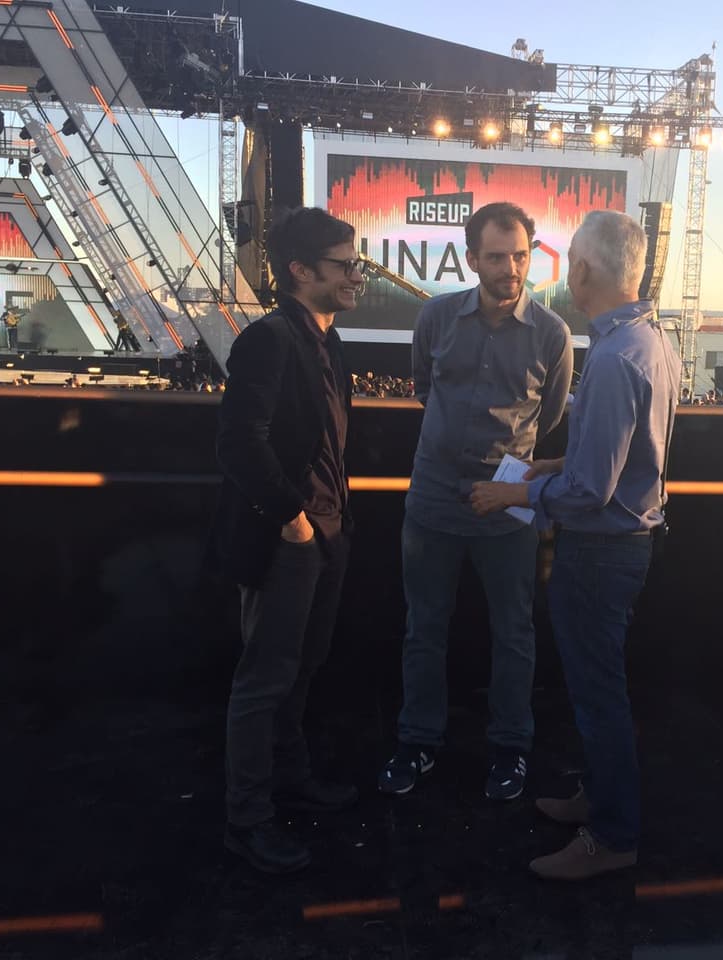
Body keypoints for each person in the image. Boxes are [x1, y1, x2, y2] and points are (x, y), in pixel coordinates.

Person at [470, 210, 681, 880]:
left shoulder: (618, 358)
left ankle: (613, 837)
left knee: (597, 696)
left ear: (584, 271)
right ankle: (600, 799)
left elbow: (594, 492)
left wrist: (514, 493)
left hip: (601, 551)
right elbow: (621, 461)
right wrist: (550, 467)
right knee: (599, 689)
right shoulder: (648, 343)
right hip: (623, 546)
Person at [378, 202, 573, 801]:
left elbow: (553, 413)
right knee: (423, 629)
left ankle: (511, 749)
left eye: (520, 255)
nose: (512, 267)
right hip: (433, 499)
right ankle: (417, 743)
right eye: (497, 256)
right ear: (471, 259)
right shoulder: (436, 318)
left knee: (514, 632)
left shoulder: (552, 334)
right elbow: (421, 386)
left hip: (509, 503)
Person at [211, 206, 365, 874]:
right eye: (345, 264)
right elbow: (238, 443)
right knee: (263, 681)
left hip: (328, 534)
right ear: (301, 271)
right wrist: (294, 520)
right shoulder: (269, 339)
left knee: (302, 670)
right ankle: (246, 821)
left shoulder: (327, 341)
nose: (357, 275)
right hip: (290, 540)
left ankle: (292, 777)